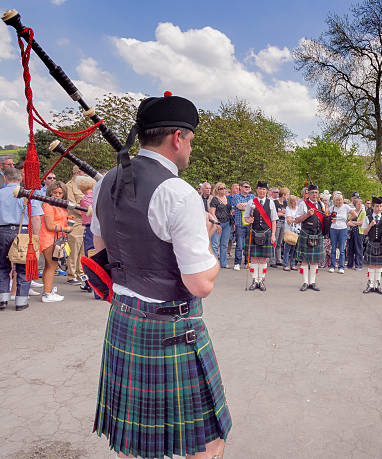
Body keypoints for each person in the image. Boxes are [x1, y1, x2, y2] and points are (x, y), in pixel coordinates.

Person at [90, 93, 230, 459]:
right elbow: (200, 283)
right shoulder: (179, 193)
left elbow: (100, 247)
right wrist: (209, 239)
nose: (190, 149)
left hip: (123, 319)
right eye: (191, 141)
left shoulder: (105, 181)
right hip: (170, 331)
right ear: (177, 138)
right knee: (208, 446)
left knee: (134, 446)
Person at [0, 167, 43, 311]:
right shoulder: (28, 195)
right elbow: (36, 218)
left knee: (2, 267)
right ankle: (21, 302)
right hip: (23, 233)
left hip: (2, 232)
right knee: (23, 268)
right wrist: (35, 237)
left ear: (5, 179)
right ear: (20, 179)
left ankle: (2, 299)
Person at [39, 181, 71, 302]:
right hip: (49, 239)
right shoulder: (48, 205)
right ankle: (47, 294)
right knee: (52, 266)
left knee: (49, 266)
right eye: (55, 192)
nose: (57, 195)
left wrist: (68, 219)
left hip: (55, 239)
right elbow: (50, 226)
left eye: (60, 193)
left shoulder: (59, 206)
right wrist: (67, 228)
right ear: (50, 192)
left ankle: (47, 292)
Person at [243, 181, 278, 291]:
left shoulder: (271, 203)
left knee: (263, 259)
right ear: (257, 190)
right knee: (253, 259)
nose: (262, 191)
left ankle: (261, 280)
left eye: (264, 189)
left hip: (266, 233)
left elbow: (273, 220)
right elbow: (245, 218)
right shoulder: (250, 202)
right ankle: (254, 280)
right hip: (254, 232)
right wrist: (249, 220)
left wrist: (273, 235)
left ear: (267, 191)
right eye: (260, 189)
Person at [295, 184, 326, 291]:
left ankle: (312, 282)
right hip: (306, 233)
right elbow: (297, 220)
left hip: (318, 234)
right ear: (308, 194)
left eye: (316, 193)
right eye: (312, 192)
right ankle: (305, 282)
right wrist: (307, 215)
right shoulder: (303, 204)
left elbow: (325, 218)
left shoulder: (321, 204)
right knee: (304, 260)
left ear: (318, 194)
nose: (314, 194)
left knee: (315, 261)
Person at [362, 196, 382, 294]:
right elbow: (364, 232)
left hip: (381, 245)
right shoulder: (368, 218)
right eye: (377, 206)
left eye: (380, 206)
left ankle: (377, 285)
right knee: (371, 265)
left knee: (379, 265)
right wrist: (370, 225)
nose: (379, 208)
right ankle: (370, 285)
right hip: (371, 243)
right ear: (372, 207)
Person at [65, 164, 87, 286]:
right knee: (74, 249)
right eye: (84, 173)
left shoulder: (83, 185)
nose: (86, 175)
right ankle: (71, 275)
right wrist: (87, 212)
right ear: (77, 173)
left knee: (83, 250)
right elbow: (72, 205)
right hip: (76, 221)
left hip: (85, 221)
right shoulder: (69, 186)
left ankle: (80, 273)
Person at [77, 176, 97, 293]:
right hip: (99, 228)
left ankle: (90, 284)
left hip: (89, 228)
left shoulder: (84, 200)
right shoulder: (97, 196)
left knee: (89, 256)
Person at [328, 193, 357, 274]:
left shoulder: (346, 207)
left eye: (340, 200)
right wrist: (331, 219)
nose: (339, 201)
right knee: (333, 249)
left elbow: (355, 214)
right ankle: (332, 266)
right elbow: (327, 217)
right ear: (334, 201)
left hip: (343, 229)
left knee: (342, 249)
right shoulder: (332, 208)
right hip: (333, 229)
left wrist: (348, 220)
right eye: (337, 200)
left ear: (342, 200)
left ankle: (341, 267)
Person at [231, 181, 255, 270]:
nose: (247, 188)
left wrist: (245, 205)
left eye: (249, 187)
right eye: (245, 187)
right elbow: (239, 207)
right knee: (239, 245)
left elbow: (255, 206)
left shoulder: (252, 196)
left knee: (249, 244)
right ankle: (237, 263)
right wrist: (249, 205)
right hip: (239, 223)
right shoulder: (236, 196)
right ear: (240, 187)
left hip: (250, 223)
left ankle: (247, 262)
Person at [209, 182, 233, 269]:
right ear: (217, 190)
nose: (223, 190)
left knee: (224, 244)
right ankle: (215, 264)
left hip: (227, 223)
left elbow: (229, 211)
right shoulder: (215, 199)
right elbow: (212, 213)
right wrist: (217, 223)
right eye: (221, 188)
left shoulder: (228, 199)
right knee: (215, 244)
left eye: (224, 188)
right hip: (218, 223)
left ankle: (223, 263)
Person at [346, 198, 366, 270]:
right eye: (358, 204)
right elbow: (347, 222)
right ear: (355, 205)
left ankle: (359, 265)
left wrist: (353, 223)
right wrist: (353, 223)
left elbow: (361, 223)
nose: (360, 205)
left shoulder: (363, 212)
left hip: (359, 232)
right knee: (350, 248)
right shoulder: (352, 212)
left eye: (361, 203)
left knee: (358, 249)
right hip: (351, 232)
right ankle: (350, 264)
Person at [270, 186, 287, 267]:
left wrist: (282, 213)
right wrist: (282, 213)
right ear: (283, 195)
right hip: (277, 222)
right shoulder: (275, 202)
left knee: (280, 242)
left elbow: (286, 213)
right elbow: (274, 214)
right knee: (274, 241)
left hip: (283, 222)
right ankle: (272, 260)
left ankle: (278, 259)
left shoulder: (285, 203)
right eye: (286, 194)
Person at [283, 195, 300, 271]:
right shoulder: (288, 209)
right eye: (294, 201)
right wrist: (296, 220)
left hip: (297, 230)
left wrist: (295, 220)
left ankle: (292, 264)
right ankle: (285, 264)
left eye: (296, 201)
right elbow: (289, 220)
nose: (295, 203)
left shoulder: (298, 209)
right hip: (289, 231)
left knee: (294, 248)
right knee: (287, 248)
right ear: (290, 202)